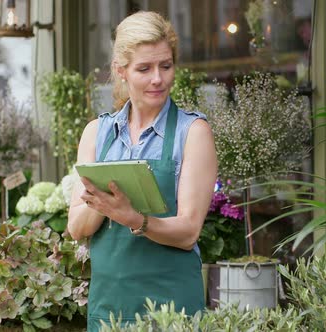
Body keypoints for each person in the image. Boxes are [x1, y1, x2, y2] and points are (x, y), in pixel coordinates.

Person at [67, 11, 218, 331]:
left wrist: (132, 218)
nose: (158, 79)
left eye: (166, 66)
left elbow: (188, 231)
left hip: (173, 311)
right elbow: (76, 229)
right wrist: (103, 203)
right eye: (144, 69)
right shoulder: (97, 133)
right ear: (121, 71)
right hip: (110, 309)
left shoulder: (192, 132)